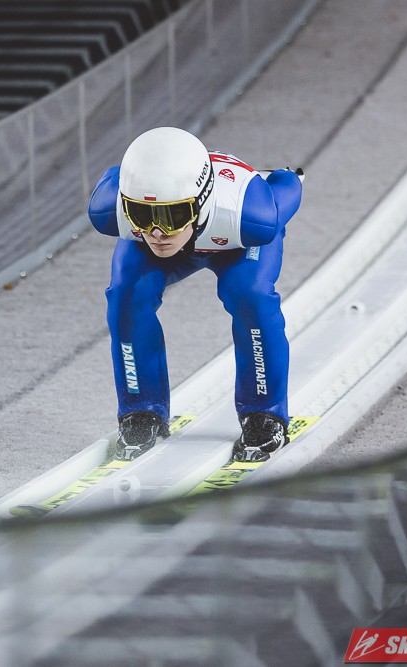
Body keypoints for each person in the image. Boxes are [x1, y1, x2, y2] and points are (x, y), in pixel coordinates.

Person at [87, 126, 303, 462]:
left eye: (172, 216)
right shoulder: (108, 209)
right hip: (209, 233)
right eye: (142, 214)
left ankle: (265, 412)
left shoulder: (253, 215)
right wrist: (166, 219)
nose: (157, 232)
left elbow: (287, 185)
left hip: (236, 240)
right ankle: (141, 408)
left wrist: (286, 176)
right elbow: (116, 174)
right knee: (126, 294)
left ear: (201, 204)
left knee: (249, 294)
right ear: (126, 205)